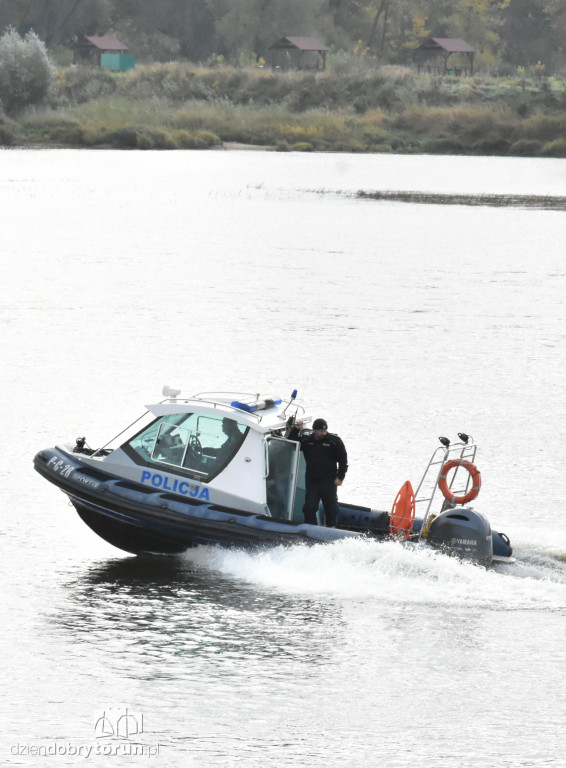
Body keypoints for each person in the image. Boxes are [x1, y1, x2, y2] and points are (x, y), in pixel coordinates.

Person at [289, 418, 348, 527]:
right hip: (312, 482)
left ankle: (331, 530)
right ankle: (312, 530)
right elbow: (292, 443)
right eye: (320, 431)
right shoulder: (308, 441)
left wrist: (340, 477)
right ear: (314, 430)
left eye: (325, 431)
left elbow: (343, 460)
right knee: (309, 508)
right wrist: (296, 429)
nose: (323, 433)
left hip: (329, 482)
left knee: (331, 508)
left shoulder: (334, 441)